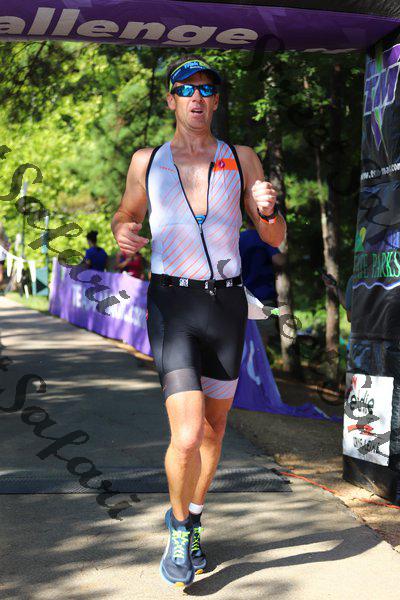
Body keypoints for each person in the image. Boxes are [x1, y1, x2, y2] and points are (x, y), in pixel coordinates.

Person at [111, 55, 286, 588]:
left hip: (226, 306)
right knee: (186, 434)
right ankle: (178, 526)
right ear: (171, 100)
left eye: (206, 89)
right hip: (173, 305)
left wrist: (268, 208)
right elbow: (127, 213)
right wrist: (122, 230)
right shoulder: (147, 160)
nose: (197, 97)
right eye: (185, 89)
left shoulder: (242, 157)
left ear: (216, 101)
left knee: (214, 429)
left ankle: (194, 518)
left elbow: (274, 237)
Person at [239, 216, 282, 343]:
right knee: (261, 339)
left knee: (242, 339)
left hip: (240, 297)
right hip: (262, 297)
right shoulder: (264, 238)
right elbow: (278, 260)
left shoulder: (237, 238)